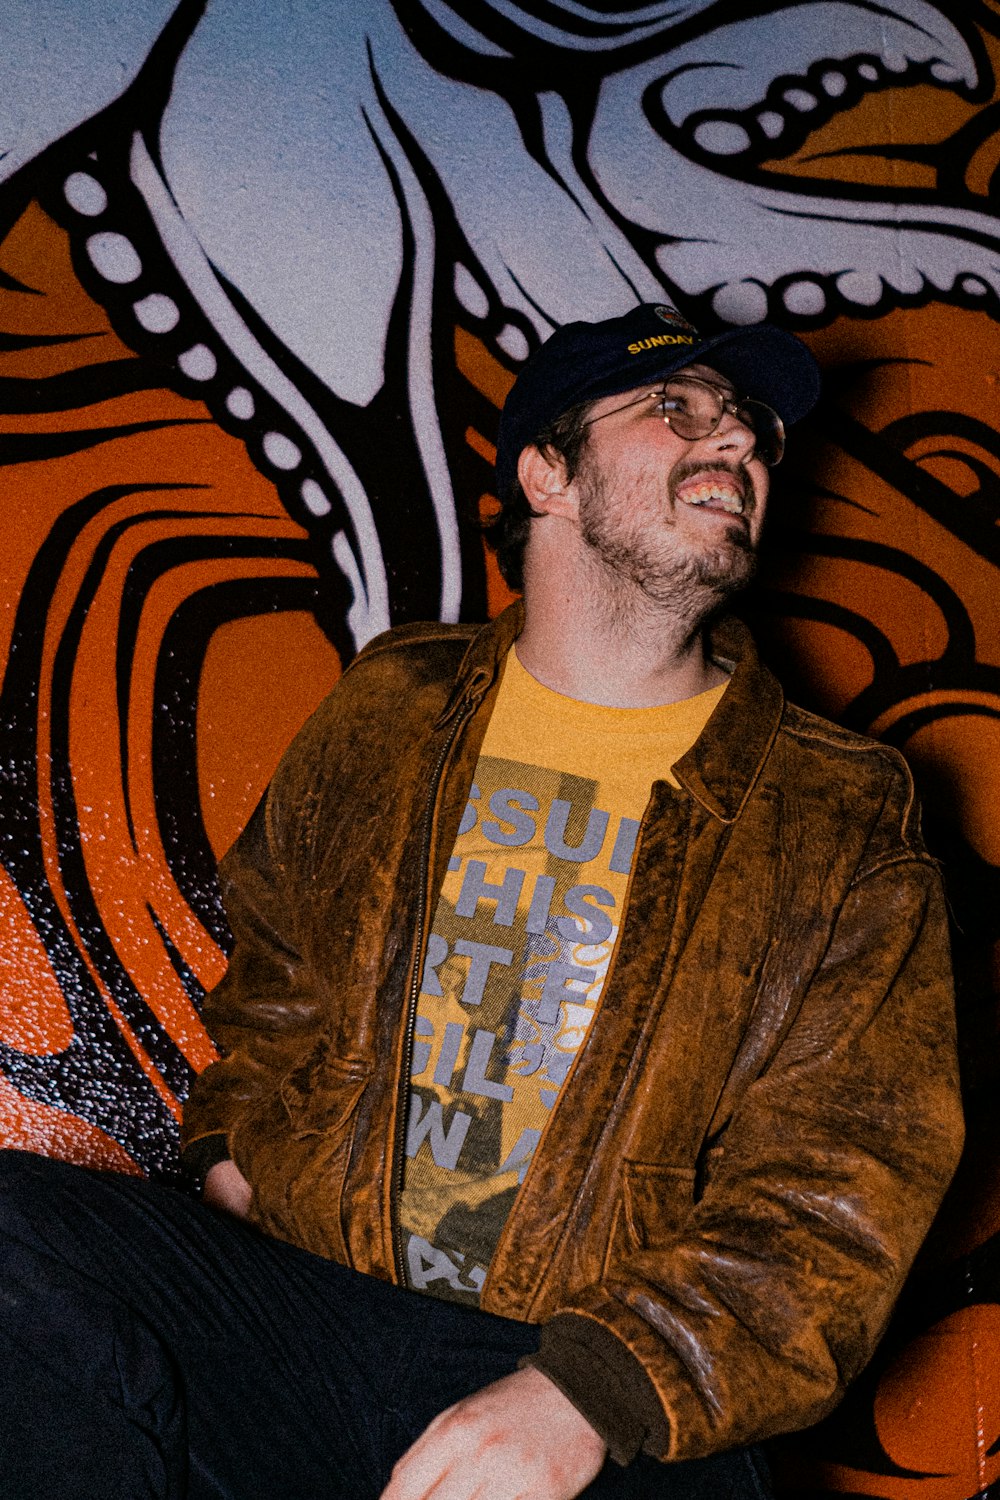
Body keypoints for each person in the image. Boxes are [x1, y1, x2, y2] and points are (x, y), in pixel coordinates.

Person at [0, 304, 963, 1500]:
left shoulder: (836, 811)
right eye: (679, 410)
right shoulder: (393, 703)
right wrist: (227, 1158)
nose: (739, 449)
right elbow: (277, 972)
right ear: (546, 473)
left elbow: (845, 1184)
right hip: (307, 1312)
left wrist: (582, 1397)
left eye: (754, 429)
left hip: (599, 1370)